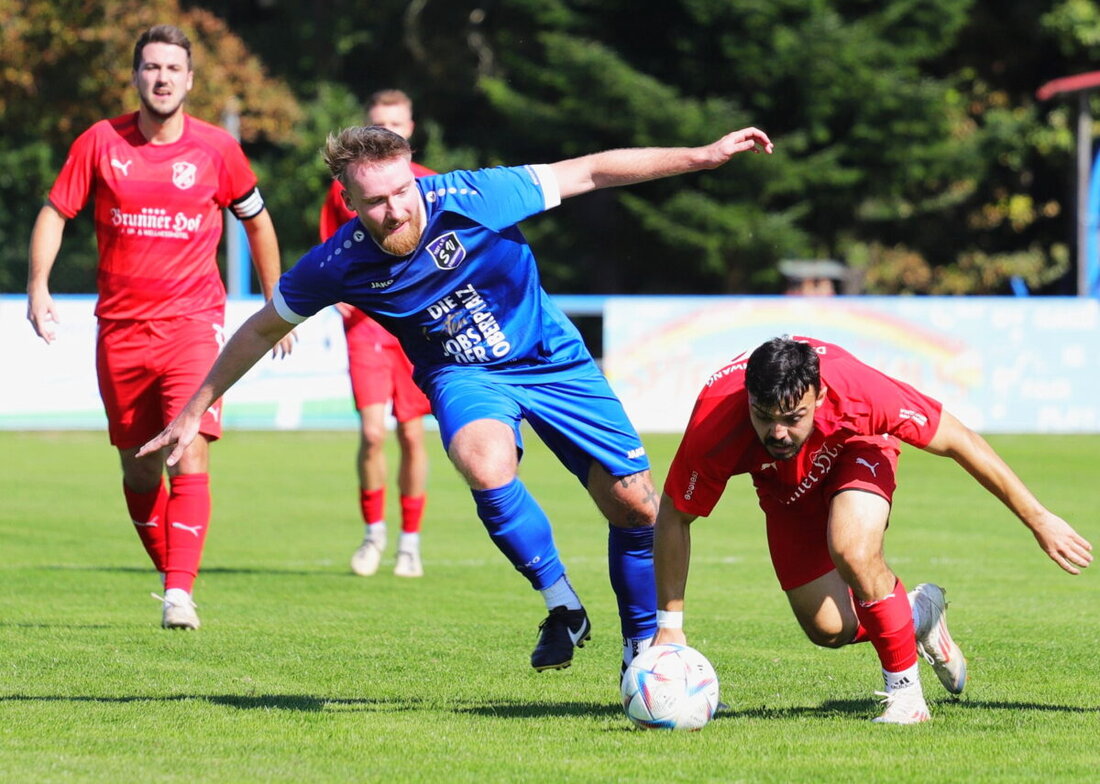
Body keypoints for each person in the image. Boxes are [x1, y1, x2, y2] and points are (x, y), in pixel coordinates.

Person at [138, 124, 775, 672]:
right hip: (462, 374)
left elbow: (589, 170)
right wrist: (195, 409)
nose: (395, 210)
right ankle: (562, 603)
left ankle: (643, 650)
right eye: (376, 201)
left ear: (415, 177)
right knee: (481, 460)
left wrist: (701, 155)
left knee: (636, 505)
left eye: (401, 191)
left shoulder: (474, 194)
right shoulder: (336, 263)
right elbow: (260, 328)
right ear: (349, 201)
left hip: (551, 357)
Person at [653, 335, 1093, 723]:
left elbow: (959, 440)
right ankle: (918, 613)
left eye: (793, 417)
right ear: (747, 398)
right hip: (785, 488)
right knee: (828, 628)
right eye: (764, 416)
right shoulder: (717, 419)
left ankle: (907, 698)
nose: (778, 432)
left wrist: (1037, 517)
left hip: (857, 448)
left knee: (853, 549)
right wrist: (669, 623)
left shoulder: (859, 390)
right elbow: (675, 515)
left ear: (820, 394)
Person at [26, 24, 293, 631]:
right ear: (136, 76)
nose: (162, 77)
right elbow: (54, 211)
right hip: (119, 332)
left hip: (193, 327)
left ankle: (179, 594)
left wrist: (278, 297)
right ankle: (174, 579)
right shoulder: (99, 142)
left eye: (173, 68)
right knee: (138, 467)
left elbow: (258, 220)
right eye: (151, 67)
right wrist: (39, 284)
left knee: (186, 447)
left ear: (190, 79)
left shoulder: (218, 150)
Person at [319, 90, 434, 579]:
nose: (388, 130)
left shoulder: (429, 184)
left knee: (411, 434)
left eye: (397, 123)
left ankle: (410, 542)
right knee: (371, 433)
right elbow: (330, 248)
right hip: (367, 324)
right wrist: (339, 294)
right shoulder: (345, 188)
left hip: (414, 325)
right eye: (379, 123)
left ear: (410, 128)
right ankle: (374, 535)